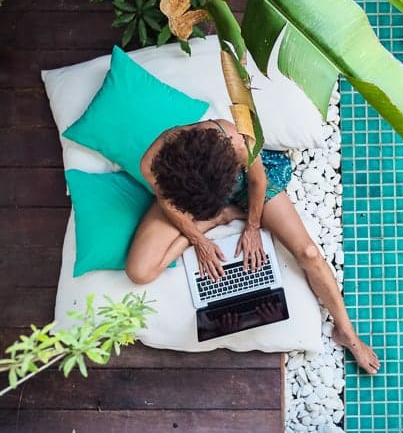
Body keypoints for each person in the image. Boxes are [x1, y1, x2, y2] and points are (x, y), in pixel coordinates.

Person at [125, 118, 380, 374]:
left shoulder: (234, 139)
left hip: (243, 188)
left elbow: (258, 182)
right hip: (194, 198)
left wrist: (252, 226)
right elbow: (169, 203)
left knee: (309, 253)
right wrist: (198, 238)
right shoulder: (153, 164)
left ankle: (346, 332)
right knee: (139, 272)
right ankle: (221, 217)